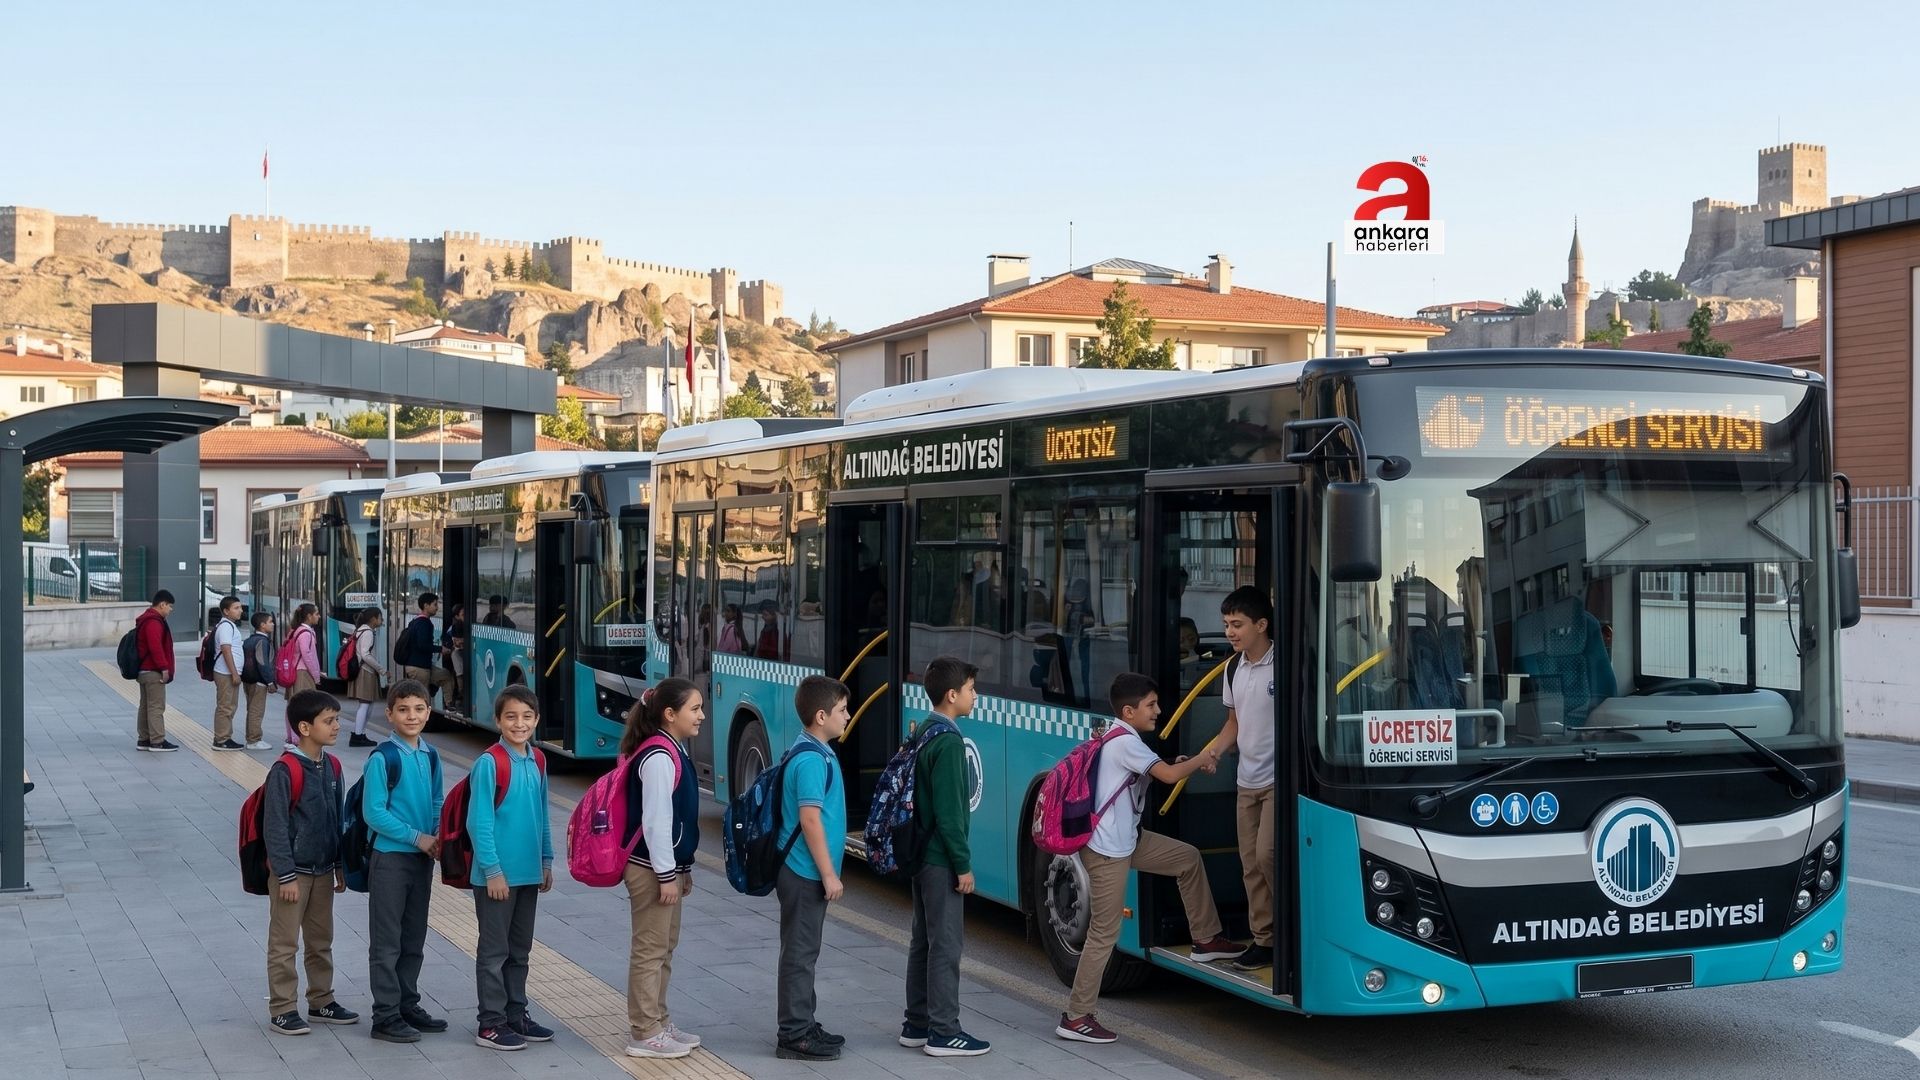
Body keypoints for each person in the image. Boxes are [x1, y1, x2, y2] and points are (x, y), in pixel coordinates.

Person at [1057, 674, 1243, 1043]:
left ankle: (1206, 939)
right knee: (1104, 934)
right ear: (1130, 710)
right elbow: (1171, 776)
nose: (1159, 711)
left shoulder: (1118, 735)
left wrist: (1178, 763)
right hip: (1109, 850)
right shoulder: (1126, 741)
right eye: (1152, 705)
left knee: (1186, 859)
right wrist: (1204, 758)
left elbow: (1158, 771)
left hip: (1127, 840)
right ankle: (1076, 1016)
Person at [901, 657, 990, 1057]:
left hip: (920, 854)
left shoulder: (924, 730)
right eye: (971, 689)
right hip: (940, 857)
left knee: (924, 940)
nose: (976, 695)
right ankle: (943, 1031)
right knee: (947, 945)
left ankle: (916, 1023)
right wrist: (964, 865)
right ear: (953, 695)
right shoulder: (950, 742)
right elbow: (951, 814)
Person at [466, 684, 556, 1052]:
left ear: (536, 720)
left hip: (528, 873)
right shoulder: (490, 762)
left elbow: (543, 815)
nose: (519, 724)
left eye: (527, 716)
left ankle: (516, 1013)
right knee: (494, 952)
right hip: (497, 877)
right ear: (498, 720)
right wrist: (492, 871)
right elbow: (479, 823)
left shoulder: (538, 760)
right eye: (511, 717)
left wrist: (546, 860)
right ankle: (490, 1023)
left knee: (520, 950)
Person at [264, 690, 358, 1036]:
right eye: (329, 721)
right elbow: (274, 827)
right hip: (293, 874)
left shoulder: (331, 765)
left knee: (321, 940)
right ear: (305, 727)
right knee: (284, 943)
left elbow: (336, 819)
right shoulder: (284, 770)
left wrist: (338, 864)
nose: (336, 726)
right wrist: (286, 875)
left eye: (336, 719)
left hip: (322, 871)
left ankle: (322, 1000)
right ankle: (283, 1008)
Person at [621, 678, 705, 1060]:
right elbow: (656, 822)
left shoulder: (674, 749)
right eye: (695, 708)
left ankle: (659, 1019)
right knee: (650, 950)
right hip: (650, 870)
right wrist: (666, 874)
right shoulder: (658, 756)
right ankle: (644, 1031)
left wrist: (680, 869)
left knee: (664, 948)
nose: (702, 715)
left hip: (665, 868)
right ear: (670, 715)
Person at [362, 679, 446, 1044]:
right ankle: (385, 1015)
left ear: (428, 712)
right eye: (403, 709)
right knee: (387, 941)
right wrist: (419, 837)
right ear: (389, 715)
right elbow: (373, 814)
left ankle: (407, 1003)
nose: (411, 716)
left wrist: (440, 834)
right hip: (390, 860)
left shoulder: (430, 755)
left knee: (413, 937)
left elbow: (438, 800)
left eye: (418, 709)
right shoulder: (383, 757)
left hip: (422, 860)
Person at [775, 675, 851, 1062]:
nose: (848, 716)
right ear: (821, 716)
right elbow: (810, 820)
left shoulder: (813, 750)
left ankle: (804, 1020)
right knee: (800, 954)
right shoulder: (809, 759)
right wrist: (828, 874)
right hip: (804, 871)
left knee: (805, 950)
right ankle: (794, 1034)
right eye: (842, 711)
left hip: (804, 870)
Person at [1212, 586, 1278, 972]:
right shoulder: (1232, 668)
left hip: (1276, 780)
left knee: (1267, 855)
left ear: (1261, 624)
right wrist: (1215, 753)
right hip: (1246, 780)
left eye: (1237, 624)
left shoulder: (1282, 663)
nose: (1230, 633)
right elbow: (1233, 723)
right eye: (1226, 625)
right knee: (1249, 864)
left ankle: (1288, 927)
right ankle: (1264, 939)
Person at [133, 590, 179, 752]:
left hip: (144, 670)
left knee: (145, 706)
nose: (171, 610)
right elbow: (155, 647)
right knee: (156, 707)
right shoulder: (154, 622)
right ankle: (157, 741)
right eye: (169, 606)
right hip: (153, 671)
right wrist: (164, 668)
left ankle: (144, 739)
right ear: (162, 604)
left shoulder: (146, 619)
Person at [395, 593, 456, 711]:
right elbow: (422, 645)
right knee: (422, 698)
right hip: (419, 668)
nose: (437, 607)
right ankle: (416, 721)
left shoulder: (416, 620)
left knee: (445, 676)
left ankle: (449, 704)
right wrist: (440, 649)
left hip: (422, 666)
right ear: (426, 605)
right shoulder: (424, 623)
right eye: (435, 604)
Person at [208, 595, 248, 751]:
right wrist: (234, 673)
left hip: (227, 673)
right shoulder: (226, 627)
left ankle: (225, 737)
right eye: (236, 608)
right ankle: (221, 739)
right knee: (225, 706)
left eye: (240, 607)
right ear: (226, 611)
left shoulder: (229, 625)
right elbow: (226, 650)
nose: (240, 611)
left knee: (229, 706)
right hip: (225, 673)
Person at [344, 608, 387, 748]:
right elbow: (365, 654)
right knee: (365, 704)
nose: (381, 620)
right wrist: (381, 669)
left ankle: (360, 734)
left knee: (367, 704)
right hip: (365, 671)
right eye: (380, 617)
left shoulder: (360, 630)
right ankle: (358, 735)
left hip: (362, 670)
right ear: (373, 619)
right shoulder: (367, 632)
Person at [283, 604, 323, 748]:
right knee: (302, 706)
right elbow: (308, 656)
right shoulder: (306, 633)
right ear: (309, 616)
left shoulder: (294, 631)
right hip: (303, 673)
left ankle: (291, 736)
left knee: (292, 705)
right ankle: (296, 738)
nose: (319, 617)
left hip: (294, 671)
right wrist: (316, 675)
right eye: (317, 614)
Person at [240, 612, 277, 750]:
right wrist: (270, 681)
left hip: (247, 680)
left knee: (251, 709)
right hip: (259, 681)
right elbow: (263, 663)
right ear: (262, 625)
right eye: (270, 622)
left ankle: (251, 738)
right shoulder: (262, 641)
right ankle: (254, 740)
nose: (273, 624)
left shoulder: (249, 640)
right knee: (257, 710)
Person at [442, 602, 468, 705]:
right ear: (457, 616)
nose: (467, 617)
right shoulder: (456, 626)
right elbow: (457, 643)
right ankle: (461, 693)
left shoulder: (466, 625)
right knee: (460, 672)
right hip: (455, 652)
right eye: (463, 615)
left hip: (461, 652)